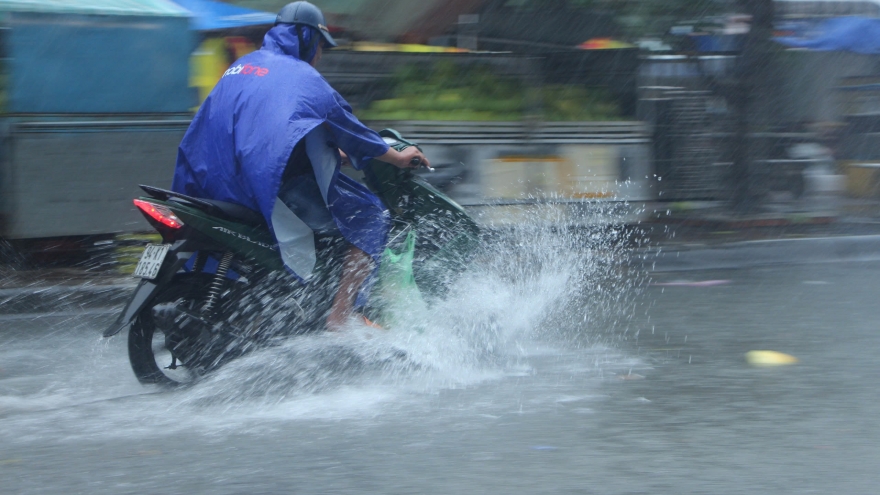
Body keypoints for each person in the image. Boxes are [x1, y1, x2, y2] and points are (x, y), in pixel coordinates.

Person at [171, 1, 429, 330]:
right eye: (320, 45)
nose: (319, 55)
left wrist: (337, 157)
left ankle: (272, 311)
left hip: (217, 180)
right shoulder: (304, 78)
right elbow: (349, 129)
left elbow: (270, 135)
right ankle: (341, 315)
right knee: (369, 215)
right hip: (268, 184)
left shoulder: (244, 66)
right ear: (305, 38)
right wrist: (397, 156)